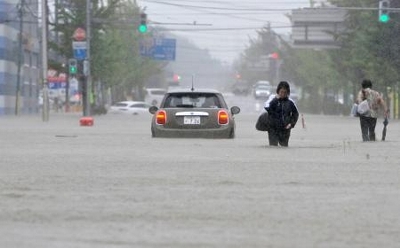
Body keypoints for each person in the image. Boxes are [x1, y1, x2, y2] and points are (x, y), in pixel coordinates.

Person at [264, 81, 299, 147]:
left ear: (288, 92)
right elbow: (267, 108)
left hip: (285, 129)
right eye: (281, 92)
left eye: (285, 92)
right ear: (278, 91)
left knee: (284, 147)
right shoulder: (272, 99)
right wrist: (275, 100)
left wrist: (291, 124)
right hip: (273, 129)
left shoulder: (290, 102)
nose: (283, 94)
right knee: (273, 147)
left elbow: (295, 114)